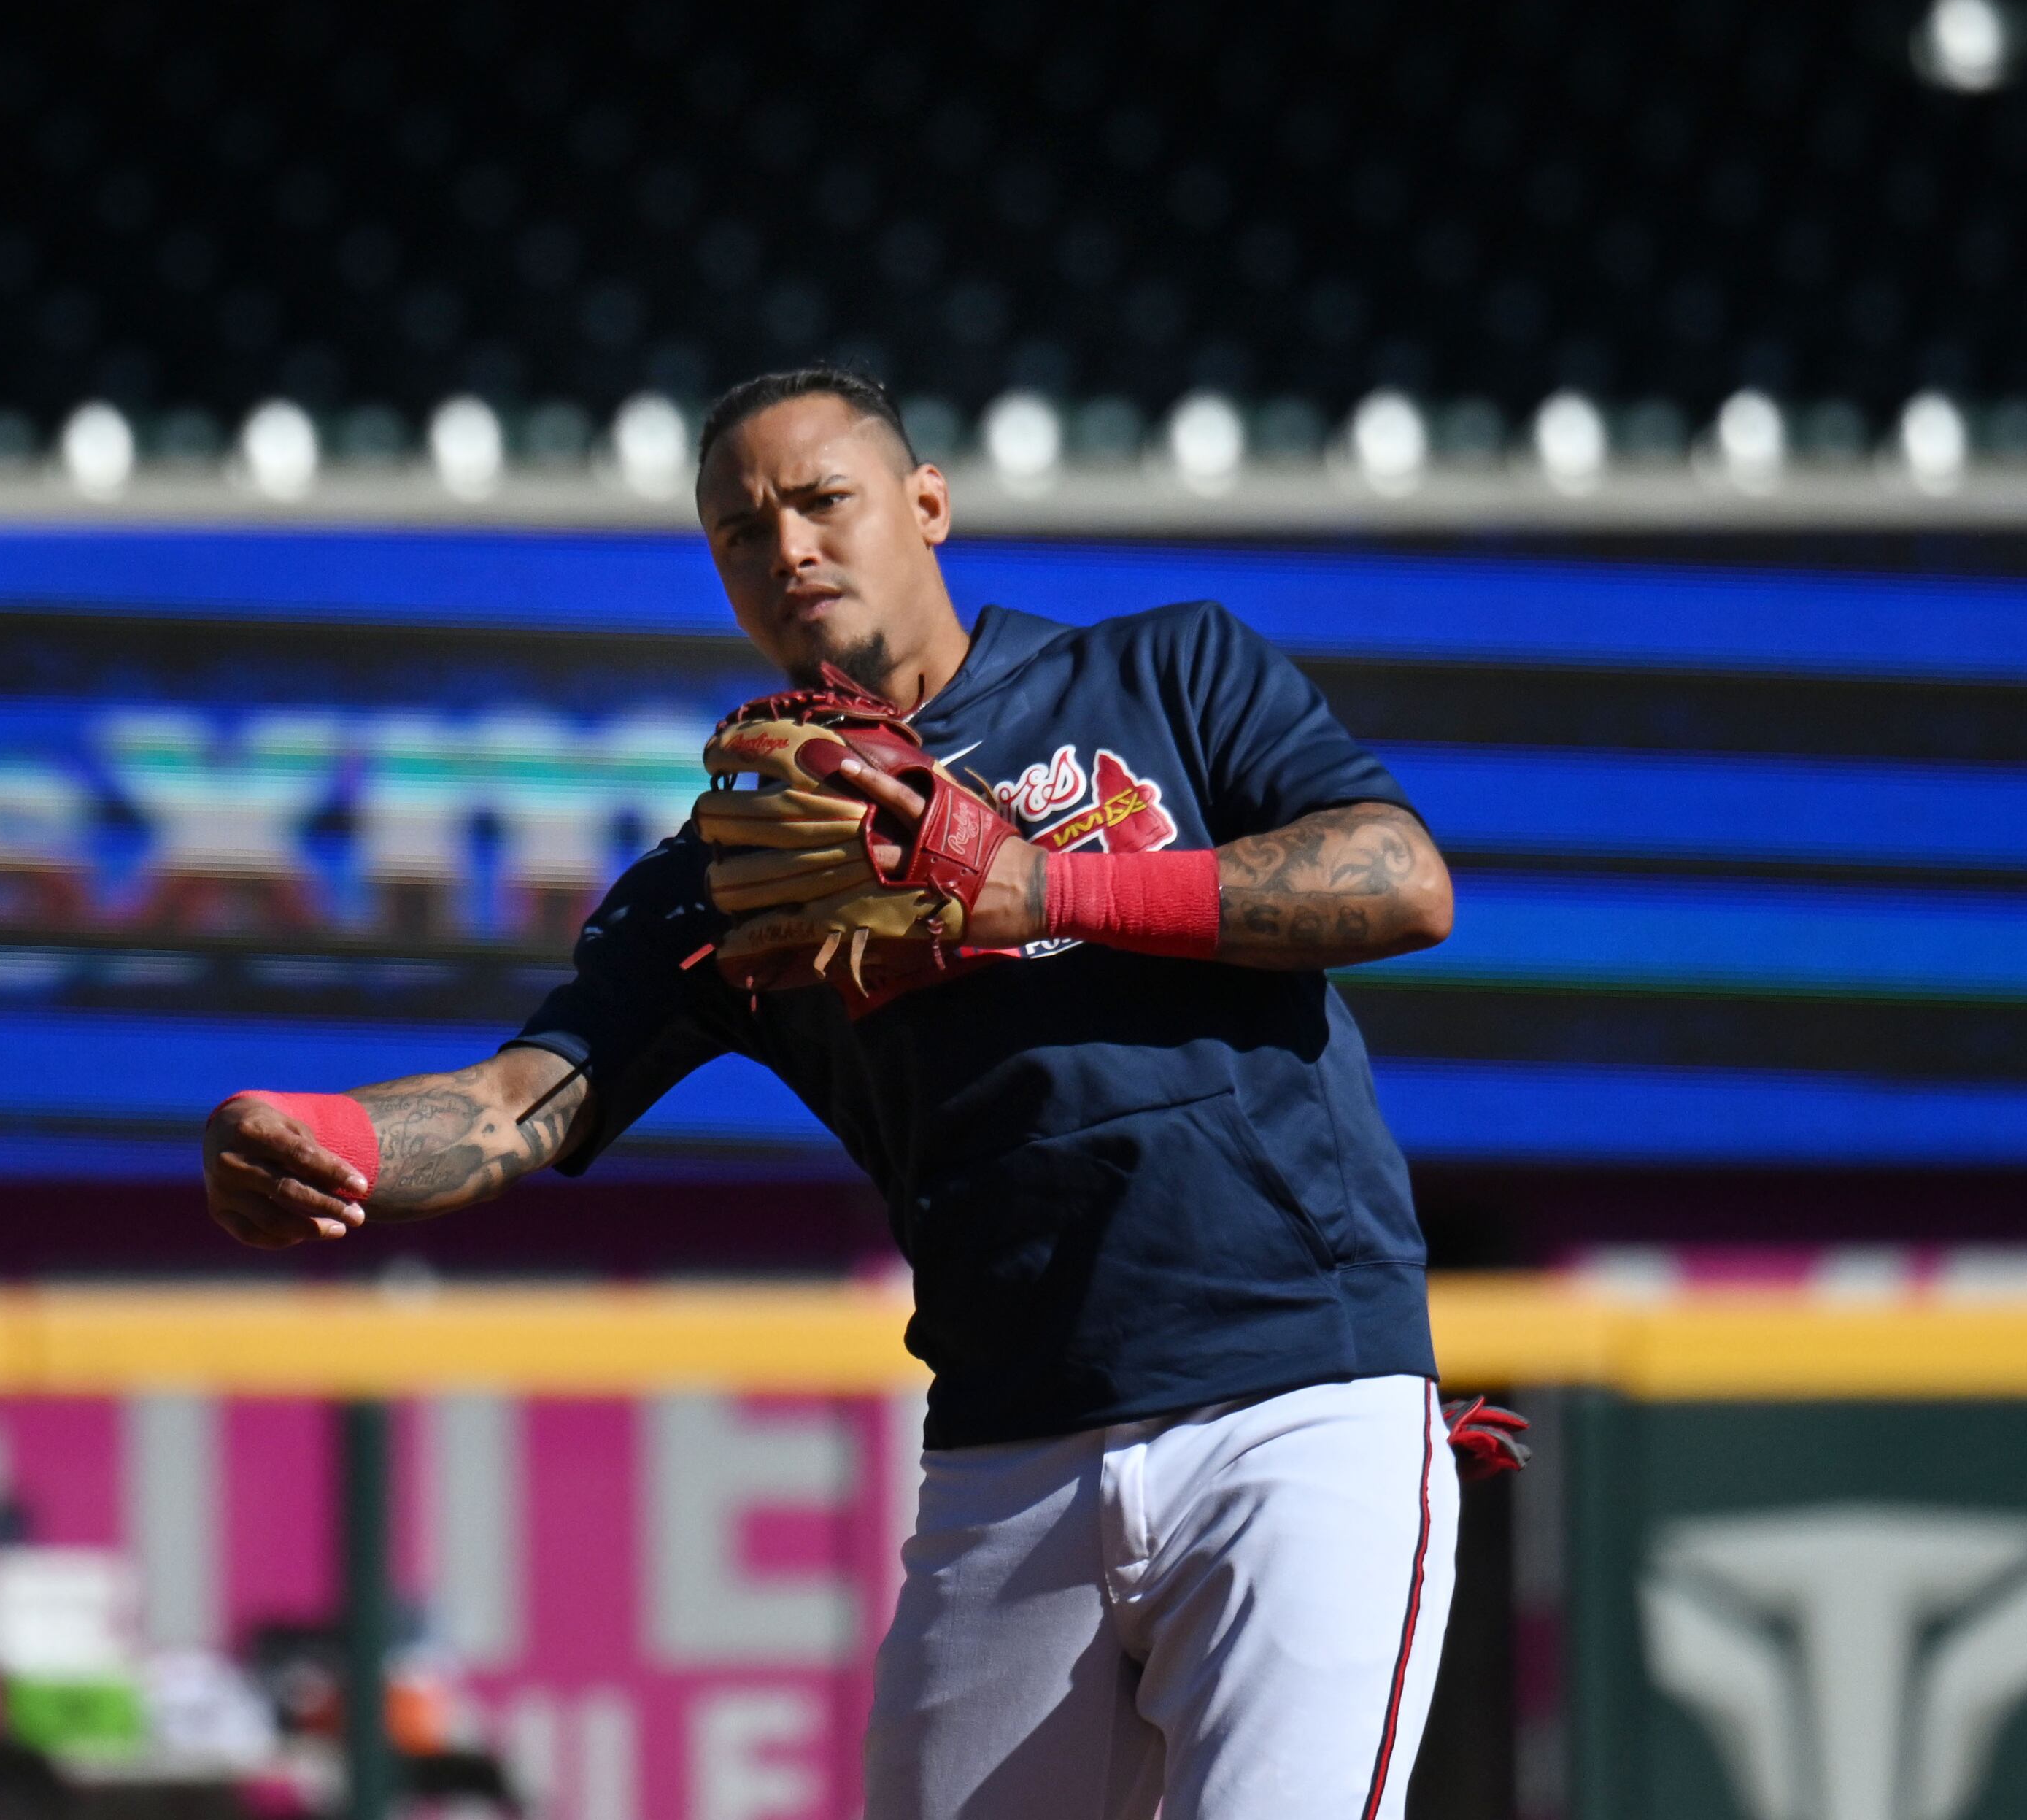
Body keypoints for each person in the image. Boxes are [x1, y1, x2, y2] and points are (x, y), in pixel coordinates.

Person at [204, 366, 1469, 1820]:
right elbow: (523, 1100)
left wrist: (1034, 886)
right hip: (1012, 1450)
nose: (788, 545)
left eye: (823, 499)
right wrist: (330, 1138)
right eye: (742, 529)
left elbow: (1400, 877)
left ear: (927, 504)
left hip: (1295, 1398)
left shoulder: (1161, 672)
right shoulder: (733, 865)